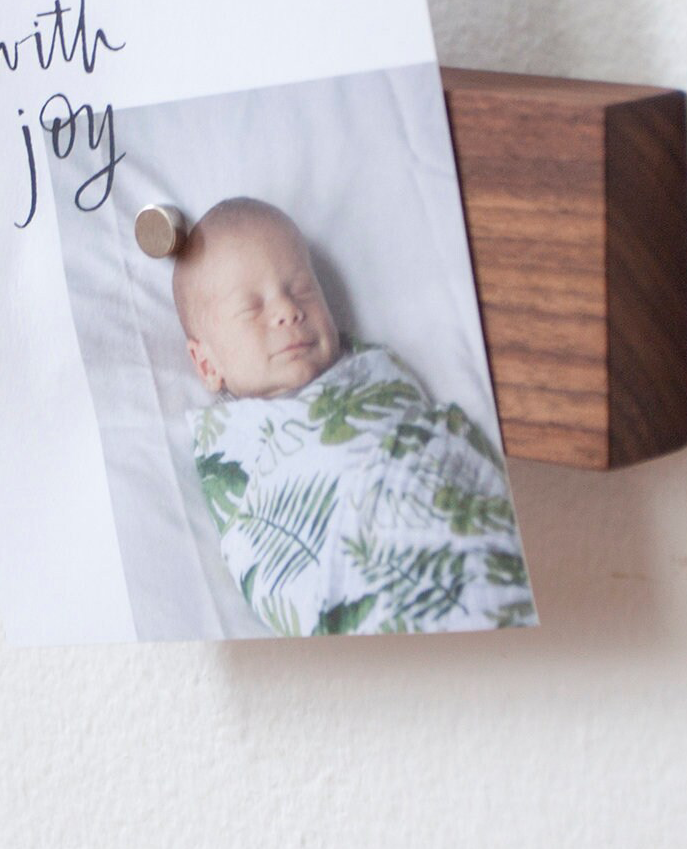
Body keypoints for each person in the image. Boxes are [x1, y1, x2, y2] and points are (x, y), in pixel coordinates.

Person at [172, 197, 534, 636]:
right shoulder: (230, 443)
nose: (288, 310)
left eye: (302, 288)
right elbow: (267, 551)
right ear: (207, 364)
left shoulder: (374, 369)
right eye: (252, 307)